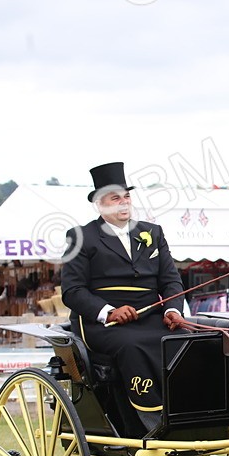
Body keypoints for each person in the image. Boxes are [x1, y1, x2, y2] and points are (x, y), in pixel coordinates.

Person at [61, 162, 184, 433]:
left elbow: (171, 280)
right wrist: (108, 311)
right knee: (133, 344)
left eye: (127, 196)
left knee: (187, 341)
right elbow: (72, 291)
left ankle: (187, 411)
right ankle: (149, 421)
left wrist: (173, 311)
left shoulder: (153, 233)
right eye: (115, 198)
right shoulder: (80, 237)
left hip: (152, 317)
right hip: (104, 325)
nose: (123, 203)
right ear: (99, 204)